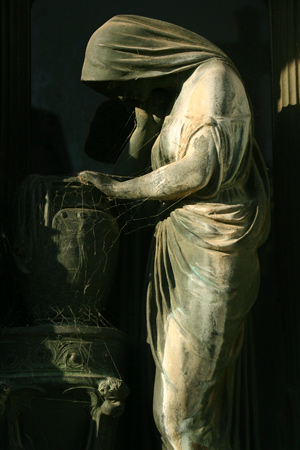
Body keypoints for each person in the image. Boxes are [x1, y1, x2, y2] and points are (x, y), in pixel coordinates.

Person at [79, 15, 270, 450]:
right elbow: (136, 163)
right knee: (174, 414)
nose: (120, 94)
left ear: (141, 59)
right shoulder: (175, 97)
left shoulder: (215, 79)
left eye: (119, 83)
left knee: (182, 415)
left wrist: (120, 190)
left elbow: (200, 169)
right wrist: (145, 119)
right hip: (179, 249)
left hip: (215, 250)